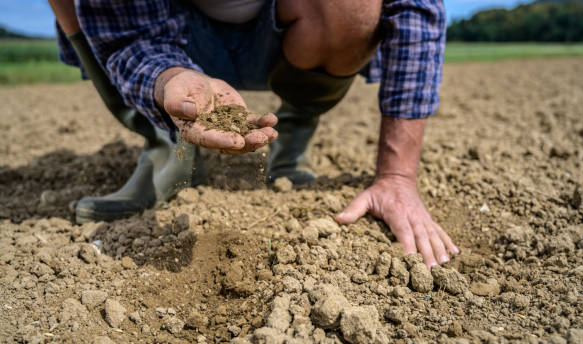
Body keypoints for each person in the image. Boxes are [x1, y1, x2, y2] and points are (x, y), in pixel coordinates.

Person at [49, 0, 459, 268]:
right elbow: (127, 31)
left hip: (293, 30)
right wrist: (168, 78)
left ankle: (291, 144)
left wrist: (397, 175)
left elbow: (415, 6)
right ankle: (165, 141)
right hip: (173, 37)